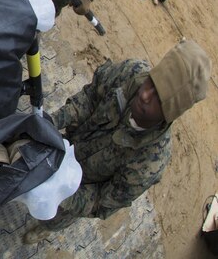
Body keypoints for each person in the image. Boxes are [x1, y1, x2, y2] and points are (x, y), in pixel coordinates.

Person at [24, 39, 211, 244]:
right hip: (65, 144)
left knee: (53, 216)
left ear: (171, 111)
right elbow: (90, 98)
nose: (144, 94)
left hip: (79, 188)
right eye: (152, 82)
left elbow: (100, 201)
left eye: (158, 97)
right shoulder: (130, 73)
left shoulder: (150, 163)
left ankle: (44, 228)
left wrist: (60, 192)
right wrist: (52, 122)